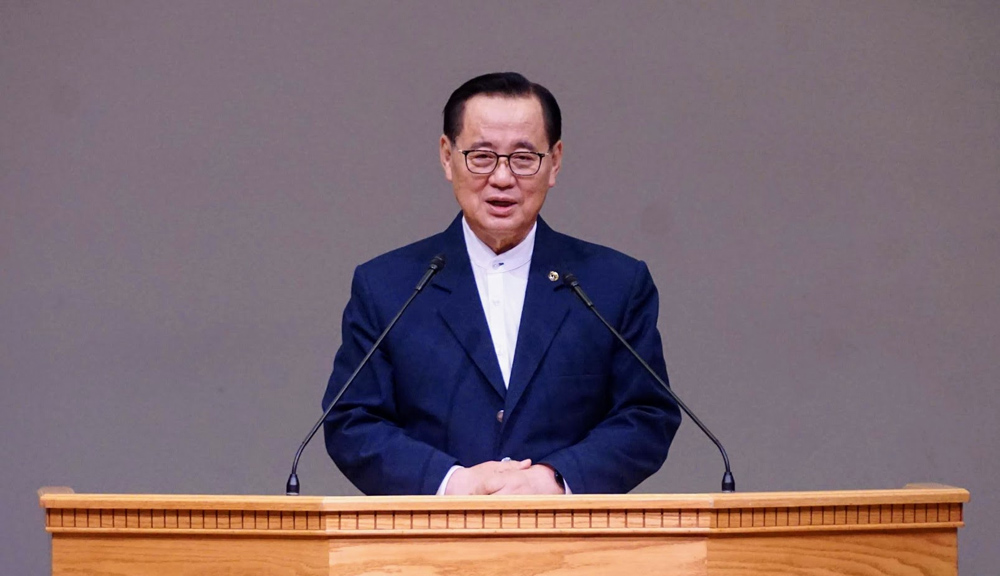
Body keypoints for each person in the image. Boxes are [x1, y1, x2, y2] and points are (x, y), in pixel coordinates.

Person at [323, 72, 680, 495]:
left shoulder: (613, 284)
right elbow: (352, 421)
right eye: (482, 156)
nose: (502, 178)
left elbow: (647, 415)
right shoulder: (388, 286)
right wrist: (452, 483)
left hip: (569, 534)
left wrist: (555, 480)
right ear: (447, 157)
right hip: (434, 534)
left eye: (524, 158)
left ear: (555, 162)